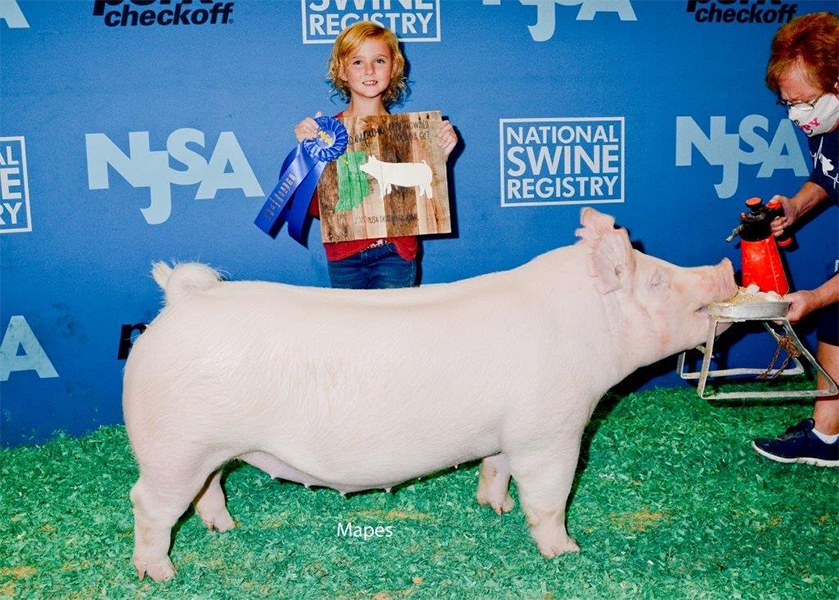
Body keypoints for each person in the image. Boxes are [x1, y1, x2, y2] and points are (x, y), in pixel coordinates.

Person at [293, 21, 458, 290]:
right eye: (358, 62)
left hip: (395, 253)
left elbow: (420, 201)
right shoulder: (326, 135)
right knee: (350, 319)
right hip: (344, 256)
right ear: (342, 71)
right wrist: (307, 155)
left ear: (394, 68)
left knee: (394, 319)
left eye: (379, 60)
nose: (369, 70)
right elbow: (316, 210)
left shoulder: (414, 135)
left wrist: (438, 160)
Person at [752, 11, 839, 467]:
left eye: (805, 102)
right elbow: (828, 176)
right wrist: (795, 207)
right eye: (788, 104)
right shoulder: (824, 121)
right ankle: (827, 437)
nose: (796, 116)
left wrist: (815, 297)